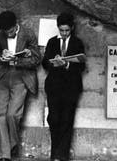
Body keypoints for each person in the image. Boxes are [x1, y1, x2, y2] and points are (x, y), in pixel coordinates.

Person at [0, 11, 41, 161]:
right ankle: (5, 154)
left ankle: (13, 144)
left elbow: (37, 59)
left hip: (21, 77)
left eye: (11, 31)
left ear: (16, 25)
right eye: (5, 32)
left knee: (12, 115)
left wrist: (17, 60)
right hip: (3, 77)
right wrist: (1, 57)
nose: (8, 34)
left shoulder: (28, 33)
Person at [42, 12, 86, 161]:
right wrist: (53, 61)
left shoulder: (77, 43)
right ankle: (55, 154)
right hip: (54, 87)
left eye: (67, 30)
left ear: (72, 28)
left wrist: (66, 64)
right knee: (53, 119)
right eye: (62, 30)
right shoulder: (52, 42)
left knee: (67, 120)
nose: (65, 33)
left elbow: (81, 66)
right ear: (58, 28)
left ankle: (62, 156)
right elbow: (44, 63)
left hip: (71, 88)